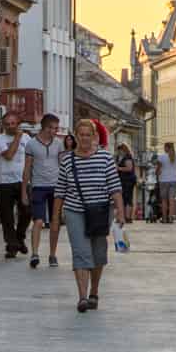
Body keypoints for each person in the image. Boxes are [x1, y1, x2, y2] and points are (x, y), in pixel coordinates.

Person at [56, 118, 123, 314]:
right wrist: (55, 216)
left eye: (88, 135)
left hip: (101, 211)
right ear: (75, 137)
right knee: (81, 252)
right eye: (81, 135)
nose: (84, 139)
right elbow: (60, 189)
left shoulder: (105, 158)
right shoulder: (67, 160)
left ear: (94, 136)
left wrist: (120, 211)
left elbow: (115, 187)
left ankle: (94, 290)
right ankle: (82, 297)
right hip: (74, 211)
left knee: (98, 254)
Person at [22, 114, 65, 269]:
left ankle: (52, 254)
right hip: (38, 186)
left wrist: (66, 186)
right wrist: (23, 191)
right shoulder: (31, 145)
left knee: (55, 222)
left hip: (56, 186)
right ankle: (34, 254)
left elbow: (62, 165)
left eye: (56, 128)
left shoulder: (59, 144)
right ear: (44, 127)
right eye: (52, 128)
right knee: (38, 221)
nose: (55, 131)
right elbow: (27, 168)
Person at [0, 114, 28, 258]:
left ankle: (19, 238)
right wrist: (17, 138)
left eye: (13, 123)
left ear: (18, 123)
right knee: (6, 216)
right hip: (5, 181)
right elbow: (8, 156)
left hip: (23, 181)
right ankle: (12, 245)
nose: (10, 126)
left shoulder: (27, 138)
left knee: (26, 212)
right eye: (7, 124)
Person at [156, 142, 176, 224]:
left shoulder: (161, 157)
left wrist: (157, 174)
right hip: (174, 180)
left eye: (164, 147)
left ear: (167, 148)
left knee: (164, 200)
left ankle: (164, 218)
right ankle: (170, 217)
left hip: (164, 180)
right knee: (172, 200)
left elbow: (158, 169)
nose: (164, 149)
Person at [114, 144, 138, 225]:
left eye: (119, 150)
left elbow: (129, 168)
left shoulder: (127, 157)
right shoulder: (122, 157)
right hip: (124, 180)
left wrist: (118, 168)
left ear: (123, 150)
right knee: (124, 198)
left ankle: (128, 217)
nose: (118, 152)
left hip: (128, 180)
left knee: (127, 198)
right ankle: (125, 216)